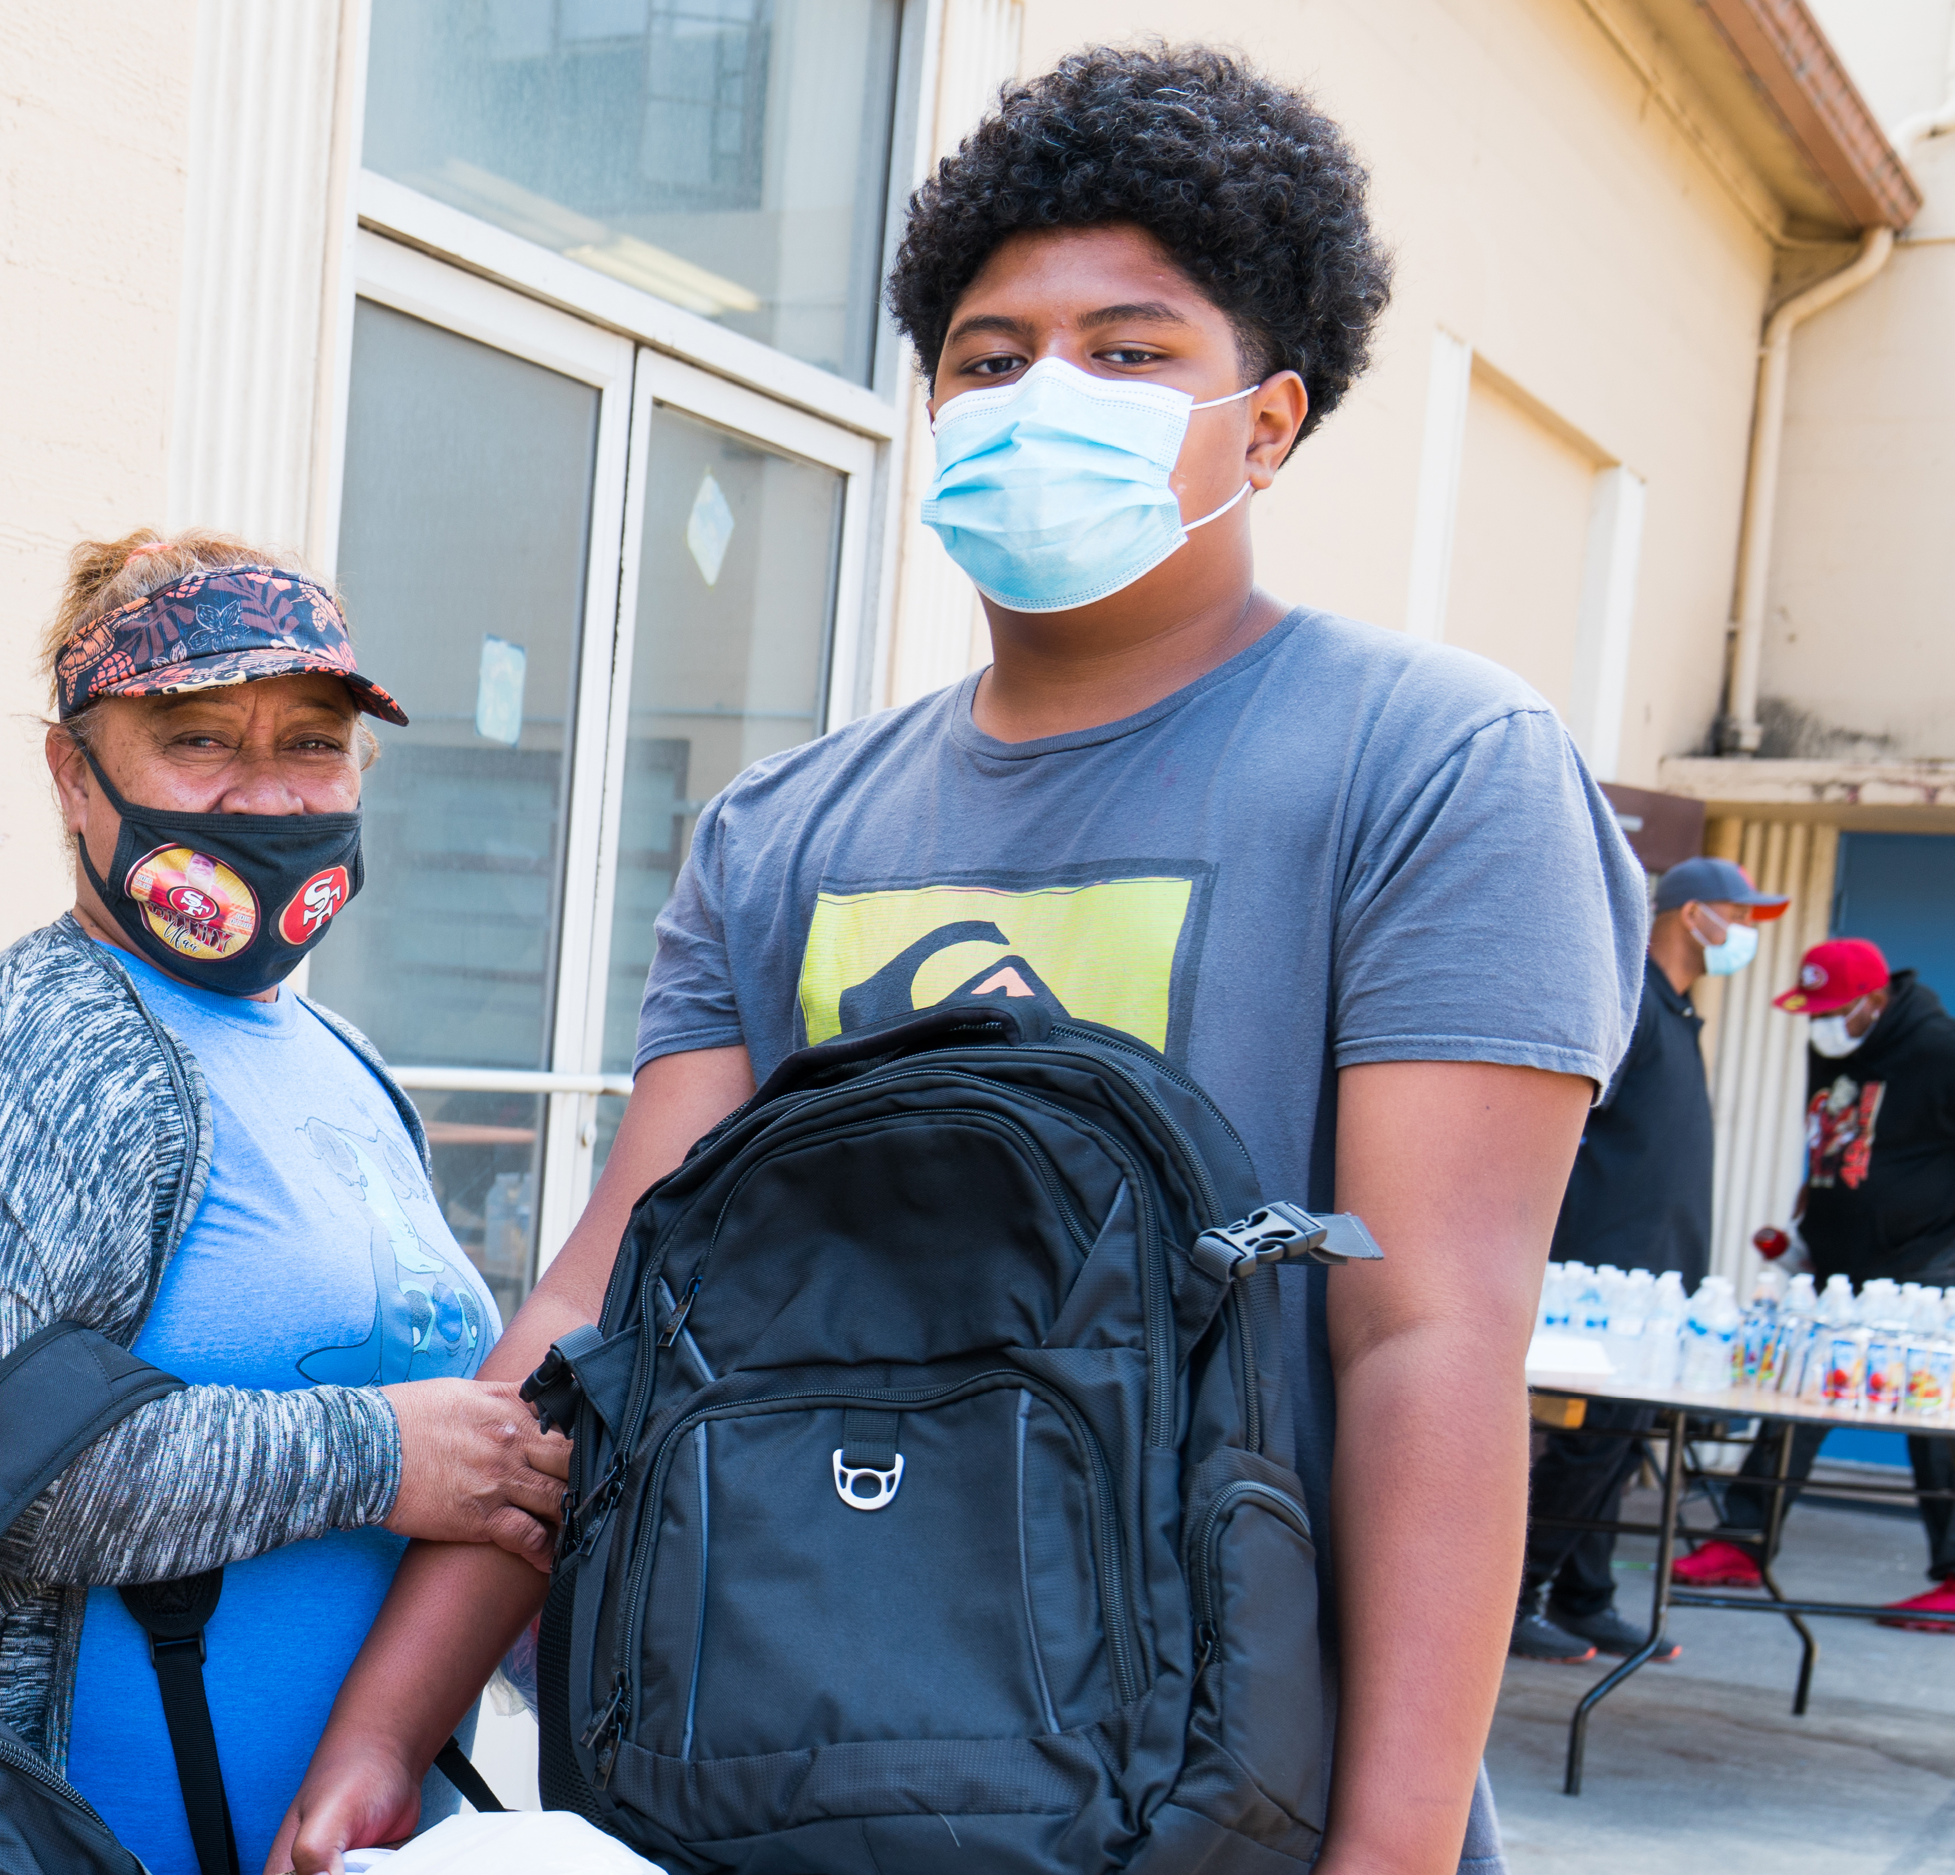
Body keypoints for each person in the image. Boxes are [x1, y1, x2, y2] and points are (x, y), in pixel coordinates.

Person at [272, 46, 1645, 1875]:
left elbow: (1427, 1339)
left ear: (1268, 423)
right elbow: (602, 1310)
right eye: (991, 359)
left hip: (1225, 1804)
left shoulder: (1432, 766)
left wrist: (1385, 1855)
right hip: (785, 1778)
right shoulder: (781, 832)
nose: (1043, 391)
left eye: (1128, 349)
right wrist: (388, 1727)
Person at [0, 530, 571, 1875]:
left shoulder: (343, 1059)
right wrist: (381, 1456)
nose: (268, 796)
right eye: (197, 740)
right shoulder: (19, 1046)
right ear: (72, 773)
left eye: (313, 743)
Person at [1514, 857, 1784, 1665]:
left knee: (1626, 1442)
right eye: (1739, 914)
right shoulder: (1630, 1004)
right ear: (1693, 913)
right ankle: (1515, 1595)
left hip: (1660, 1281)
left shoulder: (1678, 1011)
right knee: (1593, 1438)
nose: (1745, 933)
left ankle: (1584, 1594)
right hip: (1606, 1276)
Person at [1673, 936, 1955, 1628]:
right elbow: (1830, 1142)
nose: (1819, 1025)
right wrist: (1804, 1226)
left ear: (1875, 1001)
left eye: (1831, 1011)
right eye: (1812, 1012)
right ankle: (1742, 1542)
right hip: (1835, 1262)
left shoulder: (1940, 1051)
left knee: (1934, 1424)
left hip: (1923, 1270)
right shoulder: (1831, 1048)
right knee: (1793, 1394)